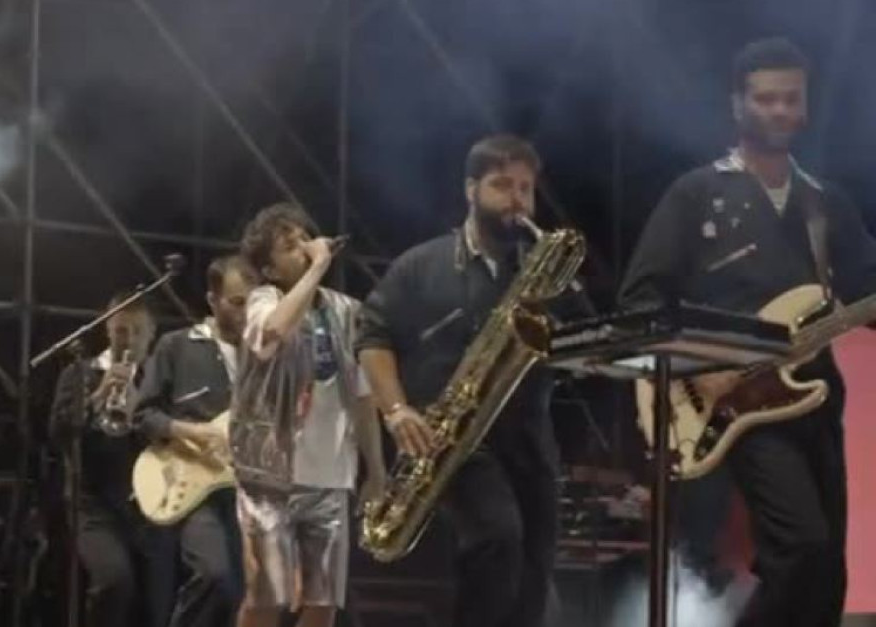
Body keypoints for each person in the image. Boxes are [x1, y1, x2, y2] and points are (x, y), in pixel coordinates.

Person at [618, 37, 876, 626]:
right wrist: (705, 365)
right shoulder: (696, 193)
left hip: (813, 398)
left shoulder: (824, 203)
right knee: (800, 548)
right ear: (738, 105)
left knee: (826, 573)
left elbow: (866, 292)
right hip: (736, 401)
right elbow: (641, 301)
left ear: (805, 107)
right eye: (766, 99)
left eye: (791, 99)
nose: (780, 110)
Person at [356, 134, 586, 627]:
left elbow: (579, 340)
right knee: (497, 538)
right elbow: (372, 336)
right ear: (470, 189)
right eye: (502, 185)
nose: (516, 200)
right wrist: (396, 410)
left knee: (536, 570)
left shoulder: (543, 273)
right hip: (452, 439)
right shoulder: (421, 265)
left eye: (525, 188)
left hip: (529, 439)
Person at [229, 203, 386, 627]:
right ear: (270, 269)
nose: (303, 246)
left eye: (304, 237)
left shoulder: (347, 311)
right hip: (270, 477)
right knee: (267, 599)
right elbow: (273, 333)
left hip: (330, 475)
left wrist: (376, 471)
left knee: (322, 603)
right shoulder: (263, 301)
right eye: (289, 245)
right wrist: (317, 267)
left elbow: (363, 396)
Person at [132, 255, 259, 627]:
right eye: (236, 303)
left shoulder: (265, 356)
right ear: (212, 300)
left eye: (252, 303)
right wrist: (192, 431)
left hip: (250, 488)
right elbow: (143, 415)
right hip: (196, 484)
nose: (246, 313)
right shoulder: (176, 346)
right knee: (214, 574)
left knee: (249, 594)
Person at [48, 294, 170, 627]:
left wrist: (139, 412)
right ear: (107, 330)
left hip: (150, 505)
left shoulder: (158, 380)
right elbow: (57, 434)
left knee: (156, 601)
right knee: (114, 581)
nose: (128, 340)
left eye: (137, 331)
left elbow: (169, 441)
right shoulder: (79, 373)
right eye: (120, 331)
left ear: (152, 335)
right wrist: (98, 396)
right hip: (93, 505)